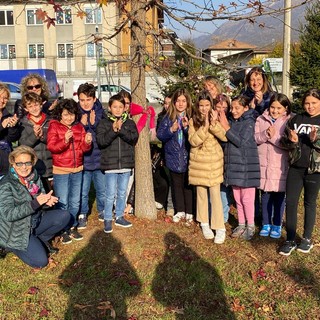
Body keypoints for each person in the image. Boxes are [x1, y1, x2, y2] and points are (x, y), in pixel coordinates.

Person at [0, 146, 70, 268]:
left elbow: (40, 198)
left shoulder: (34, 177)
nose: (24, 167)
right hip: (16, 230)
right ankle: (12, 246)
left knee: (64, 216)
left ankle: (38, 239)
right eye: (19, 163)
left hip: (34, 221)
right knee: (41, 262)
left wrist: (46, 202)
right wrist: (35, 203)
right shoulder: (6, 184)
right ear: (13, 164)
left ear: (32, 162)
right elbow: (8, 214)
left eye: (27, 163)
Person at [279, 89, 320, 256]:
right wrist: (291, 141)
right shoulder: (296, 119)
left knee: (309, 203)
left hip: (314, 170)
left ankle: (307, 239)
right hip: (295, 168)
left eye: (314, 103)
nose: (310, 106)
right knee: (291, 202)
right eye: (307, 103)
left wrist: (314, 139)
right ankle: (289, 239)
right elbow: (283, 141)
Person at [47, 99, 92, 244]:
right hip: (61, 170)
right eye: (65, 114)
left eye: (71, 114)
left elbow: (84, 150)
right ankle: (62, 228)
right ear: (60, 114)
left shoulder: (79, 127)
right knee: (63, 200)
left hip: (77, 169)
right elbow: (52, 147)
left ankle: (72, 226)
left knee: (75, 200)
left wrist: (87, 142)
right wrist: (65, 140)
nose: (69, 118)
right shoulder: (54, 126)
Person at [219, 95, 260, 240]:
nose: (234, 111)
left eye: (237, 108)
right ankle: (241, 224)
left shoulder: (249, 122)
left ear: (246, 108)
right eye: (232, 108)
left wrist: (226, 127)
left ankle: (250, 226)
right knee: (238, 198)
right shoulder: (231, 121)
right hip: (233, 167)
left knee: (247, 199)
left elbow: (240, 141)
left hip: (246, 168)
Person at [96, 94, 139, 233]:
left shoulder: (130, 123)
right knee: (110, 193)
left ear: (125, 108)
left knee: (121, 193)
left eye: (121, 107)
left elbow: (133, 138)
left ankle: (119, 215)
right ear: (109, 107)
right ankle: (108, 218)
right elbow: (101, 141)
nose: (118, 109)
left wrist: (121, 130)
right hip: (110, 164)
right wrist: (113, 130)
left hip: (126, 164)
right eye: (115, 106)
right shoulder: (104, 123)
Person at [188, 90, 227, 243]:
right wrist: (204, 126)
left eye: (207, 105)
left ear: (211, 105)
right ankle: (204, 223)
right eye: (201, 105)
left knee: (215, 195)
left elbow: (224, 136)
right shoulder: (193, 121)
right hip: (199, 162)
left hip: (213, 162)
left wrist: (214, 124)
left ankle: (219, 227)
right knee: (201, 194)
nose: (204, 108)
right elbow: (193, 141)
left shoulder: (215, 118)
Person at [254, 93, 292, 239]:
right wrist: (265, 134)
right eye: (272, 107)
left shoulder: (289, 121)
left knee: (279, 197)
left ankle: (277, 224)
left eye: (279, 108)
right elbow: (255, 138)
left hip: (280, 166)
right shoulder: (260, 119)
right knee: (265, 196)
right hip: (264, 165)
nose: (275, 111)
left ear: (285, 108)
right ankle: (265, 223)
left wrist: (273, 137)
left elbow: (289, 143)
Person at [157, 88, 194, 224]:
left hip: (188, 156)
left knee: (188, 186)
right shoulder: (168, 118)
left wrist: (185, 128)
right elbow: (160, 135)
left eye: (183, 101)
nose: (180, 104)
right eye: (178, 101)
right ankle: (180, 210)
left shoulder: (191, 117)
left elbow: (194, 137)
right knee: (176, 185)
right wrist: (171, 130)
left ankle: (189, 211)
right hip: (173, 157)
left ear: (187, 102)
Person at [77, 83, 105, 228]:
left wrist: (94, 124)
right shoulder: (75, 114)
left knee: (102, 189)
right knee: (83, 190)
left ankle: (102, 210)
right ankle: (82, 213)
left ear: (94, 99)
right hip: (83, 160)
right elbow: (74, 135)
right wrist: (81, 125)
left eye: (88, 99)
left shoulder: (101, 112)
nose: (85, 103)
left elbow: (104, 134)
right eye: (82, 100)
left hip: (99, 159)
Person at [18, 92, 53, 192]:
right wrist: (35, 136)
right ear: (25, 108)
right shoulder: (23, 123)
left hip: (51, 166)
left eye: (36, 104)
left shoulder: (50, 121)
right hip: (33, 168)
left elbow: (55, 141)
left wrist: (42, 136)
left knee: (54, 196)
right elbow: (23, 144)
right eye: (30, 106)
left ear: (41, 104)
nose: (34, 108)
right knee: (38, 197)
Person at [214, 93, 233, 223]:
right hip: (213, 157)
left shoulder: (230, 120)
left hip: (227, 157)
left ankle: (224, 215)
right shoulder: (211, 119)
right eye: (218, 107)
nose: (221, 110)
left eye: (224, 107)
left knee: (224, 187)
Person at [0, 82, 20, 160]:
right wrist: (1, 126)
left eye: (5, 98)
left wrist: (13, 127)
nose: (2, 101)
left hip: (5, 159)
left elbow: (12, 139)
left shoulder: (8, 116)